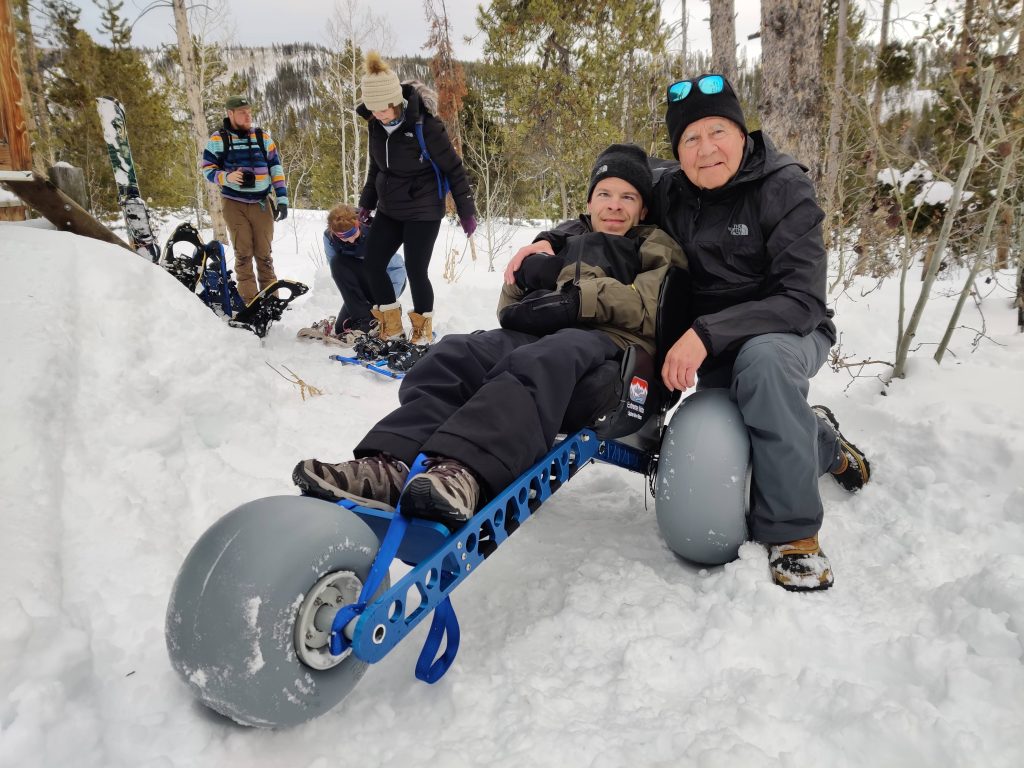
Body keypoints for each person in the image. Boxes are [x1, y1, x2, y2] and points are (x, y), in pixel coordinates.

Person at [504, 75, 871, 592]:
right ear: (677, 151)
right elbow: (614, 202)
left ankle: (793, 536)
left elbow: (802, 300)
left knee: (762, 371)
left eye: (718, 131)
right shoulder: (672, 185)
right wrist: (548, 240)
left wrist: (705, 333)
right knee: (751, 424)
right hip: (708, 342)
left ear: (743, 133)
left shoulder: (785, 187)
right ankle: (825, 444)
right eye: (690, 139)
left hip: (787, 328)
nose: (706, 149)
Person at [293, 144, 687, 527]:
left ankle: (466, 472)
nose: (614, 205)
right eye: (604, 193)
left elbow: (651, 306)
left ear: (643, 208)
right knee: (454, 353)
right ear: (589, 201)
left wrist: (573, 291)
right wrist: (529, 287)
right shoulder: (560, 240)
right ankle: (388, 463)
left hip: (611, 347)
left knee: (540, 359)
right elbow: (508, 303)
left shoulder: (653, 244)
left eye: (627, 196)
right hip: (543, 333)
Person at [355, 51, 477, 346]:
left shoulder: (426, 127)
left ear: (396, 100)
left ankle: (422, 331)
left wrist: (466, 211)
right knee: (372, 264)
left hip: (423, 210)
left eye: (385, 108)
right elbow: (376, 168)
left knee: (416, 270)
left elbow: (454, 168)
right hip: (389, 208)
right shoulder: (375, 125)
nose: (380, 115)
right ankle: (392, 327)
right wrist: (366, 203)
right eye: (374, 110)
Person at [201, 94, 288, 304]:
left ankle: (271, 300)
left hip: (261, 202)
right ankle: (250, 301)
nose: (248, 116)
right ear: (230, 114)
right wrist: (226, 177)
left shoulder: (262, 137)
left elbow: (276, 168)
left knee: (264, 254)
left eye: (249, 112)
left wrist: (282, 198)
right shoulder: (218, 139)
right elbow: (207, 169)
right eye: (242, 113)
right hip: (234, 203)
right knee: (243, 253)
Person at [297, 204, 407, 346]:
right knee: (342, 328)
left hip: (386, 284)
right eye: (343, 237)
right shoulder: (330, 238)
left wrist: (387, 303)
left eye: (352, 234)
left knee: (339, 263)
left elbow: (396, 266)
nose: (350, 240)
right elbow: (340, 273)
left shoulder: (374, 233)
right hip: (364, 283)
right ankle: (368, 321)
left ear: (357, 224)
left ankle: (370, 321)